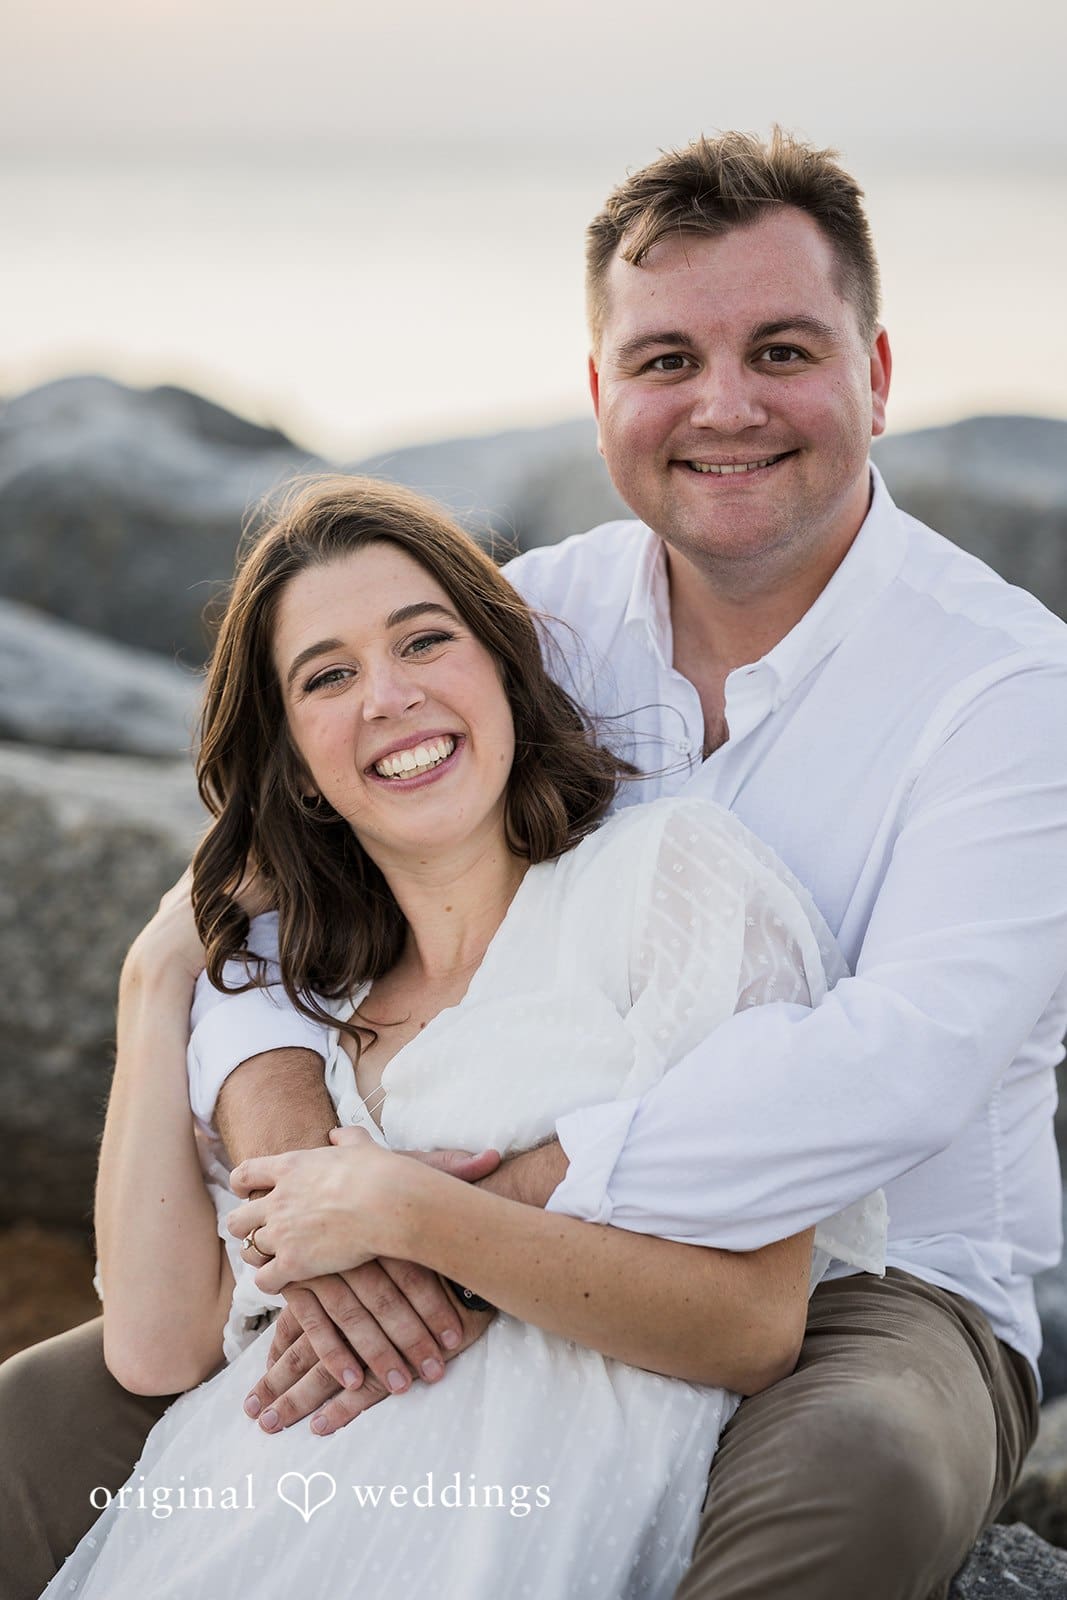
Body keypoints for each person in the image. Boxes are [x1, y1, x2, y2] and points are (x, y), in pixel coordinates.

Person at [2, 127, 1065, 1600]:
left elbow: (905, 1065)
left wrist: (470, 1207)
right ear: (596, 394)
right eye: (662, 362)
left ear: (874, 374)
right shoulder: (523, 623)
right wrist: (300, 1163)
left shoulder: (1006, 690)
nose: (723, 407)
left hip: (872, 1279)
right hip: (412, 1199)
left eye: (778, 349)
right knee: (28, 1438)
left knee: (855, 1483)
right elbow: (264, 889)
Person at [36, 476, 879, 1600]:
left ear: (500, 666)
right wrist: (156, 975)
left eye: (423, 641)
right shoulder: (300, 1015)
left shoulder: (670, 882)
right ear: (295, 762)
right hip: (233, 1535)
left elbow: (752, 1324)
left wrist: (415, 1214)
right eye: (327, 676)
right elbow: (154, 1344)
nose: (387, 696)